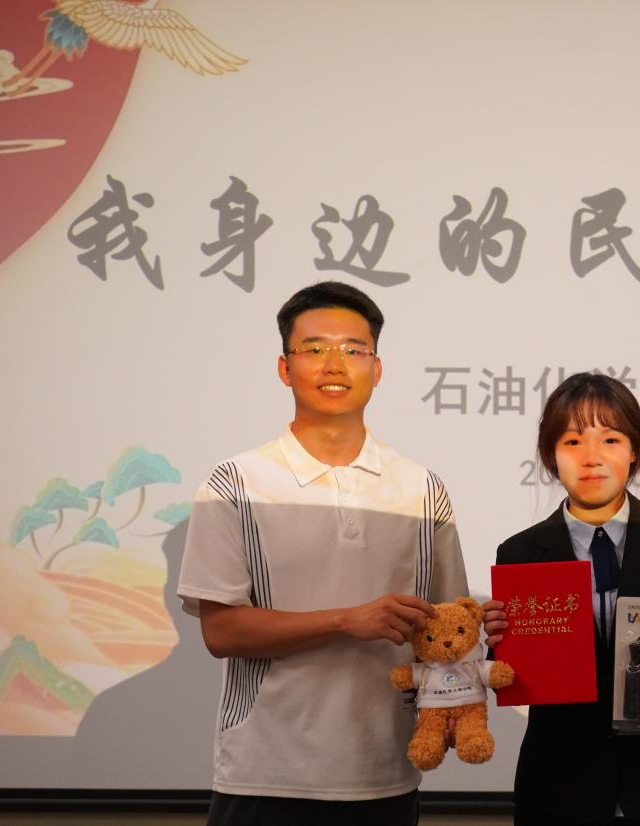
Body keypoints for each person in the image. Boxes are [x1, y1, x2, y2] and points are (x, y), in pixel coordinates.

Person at [177, 281, 469, 826]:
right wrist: (345, 620)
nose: (335, 364)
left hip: (385, 771)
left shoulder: (421, 488)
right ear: (285, 368)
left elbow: (447, 626)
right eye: (314, 348)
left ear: (377, 369)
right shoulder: (235, 482)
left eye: (353, 350)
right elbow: (221, 632)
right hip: (265, 772)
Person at [488, 373, 640, 826]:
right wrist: (498, 647)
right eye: (572, 441)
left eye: (611, 439)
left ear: (634, 450)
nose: (591, 457)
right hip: (559, 788)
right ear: (550, 455)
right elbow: (516, 672)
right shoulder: (520, 552)